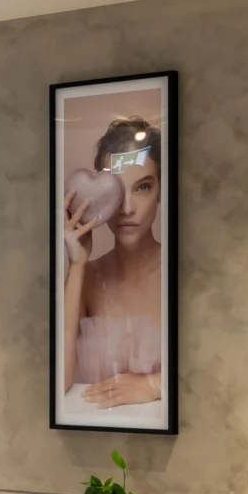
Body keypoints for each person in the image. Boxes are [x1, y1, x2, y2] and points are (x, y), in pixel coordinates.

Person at [60, 114, 164, 411]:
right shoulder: (88, 277)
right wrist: (77, 264)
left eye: (143, 187)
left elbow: (217, 371)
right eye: (118, 190)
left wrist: (154, 384)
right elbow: (59, 382)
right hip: (92, 443)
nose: (128, 208)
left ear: (159, 193)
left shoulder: (181, 274)